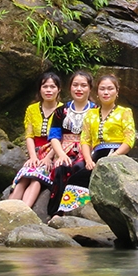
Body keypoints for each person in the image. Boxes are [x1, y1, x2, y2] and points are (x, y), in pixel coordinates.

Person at [12, 71, 66, 209]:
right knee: (24, 178)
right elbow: (29, 135)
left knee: (36, 179)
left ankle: (24, 211)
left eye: (52, 87)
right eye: (45, 86)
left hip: (53, 152)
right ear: (39, 89)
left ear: (59, 89)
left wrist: (48, 158)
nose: (49, 90)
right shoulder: (32, 109)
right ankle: (6, 211)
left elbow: (62, 137)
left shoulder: (64, 110)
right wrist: (32, 157)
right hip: (36, 151)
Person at [48, 70, 95, 215]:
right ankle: (56, 211)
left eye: (83, 85)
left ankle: (75, 210)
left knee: (80, 168)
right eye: (75, 85)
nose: (79, 89)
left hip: (88, 149)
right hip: (64, 148)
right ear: (70, 87)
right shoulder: (61, 111)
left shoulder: (96, 111)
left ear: (90, 88)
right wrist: (61, 154)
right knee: (63, 166)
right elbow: (54, 136)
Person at [80, 74, 135, 173]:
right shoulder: (91, 114)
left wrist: (115, 155)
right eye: (102, 89)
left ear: (117, 92)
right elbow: (85, 140)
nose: (106, 92)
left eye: (110, 89)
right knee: (76, 179)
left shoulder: (124, 112)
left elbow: (129, 139)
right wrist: (88, 160)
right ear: (97, 92)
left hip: (117, 155)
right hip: (96, 155)